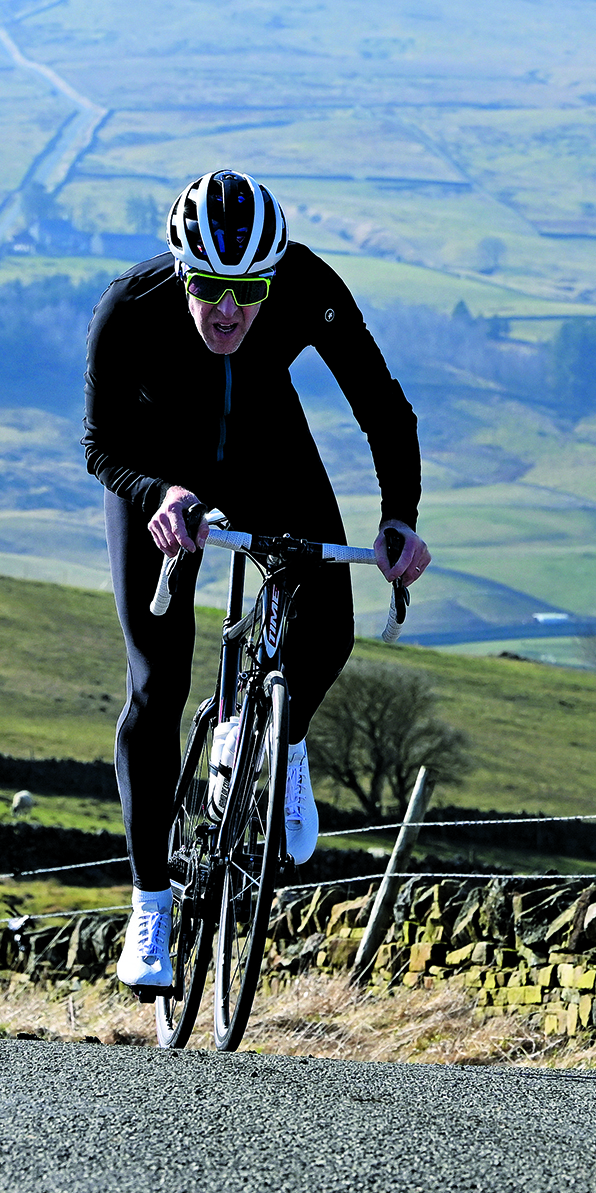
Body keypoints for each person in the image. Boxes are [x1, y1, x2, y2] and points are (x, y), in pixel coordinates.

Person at [83, 168, 428, 992]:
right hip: (161, 478)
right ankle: (151, 908)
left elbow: (382, 405)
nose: (229, 309)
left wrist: (400, 517)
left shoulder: (308, 285)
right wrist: (156, 493)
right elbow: (100, 447)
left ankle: (277, 733)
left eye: (248, 290)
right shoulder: (129, 306)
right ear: (180, 271)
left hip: (269, 455)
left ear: (274, 276)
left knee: (331, 630)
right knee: (158, 682)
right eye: (208, 288)